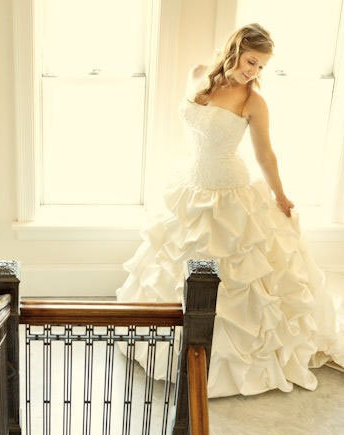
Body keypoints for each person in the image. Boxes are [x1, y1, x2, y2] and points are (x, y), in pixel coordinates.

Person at [116, 23, 344, 398]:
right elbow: (197, 130)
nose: (253, 71)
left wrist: (281, 195)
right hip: (192, 185)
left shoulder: (253, 99)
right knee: (173, 268)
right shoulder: (196, 75)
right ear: (234, 49)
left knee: (237, 279)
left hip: (230, 192)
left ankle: (225, 360)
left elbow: (264, 153)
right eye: (252, 61)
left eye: (261, 67)